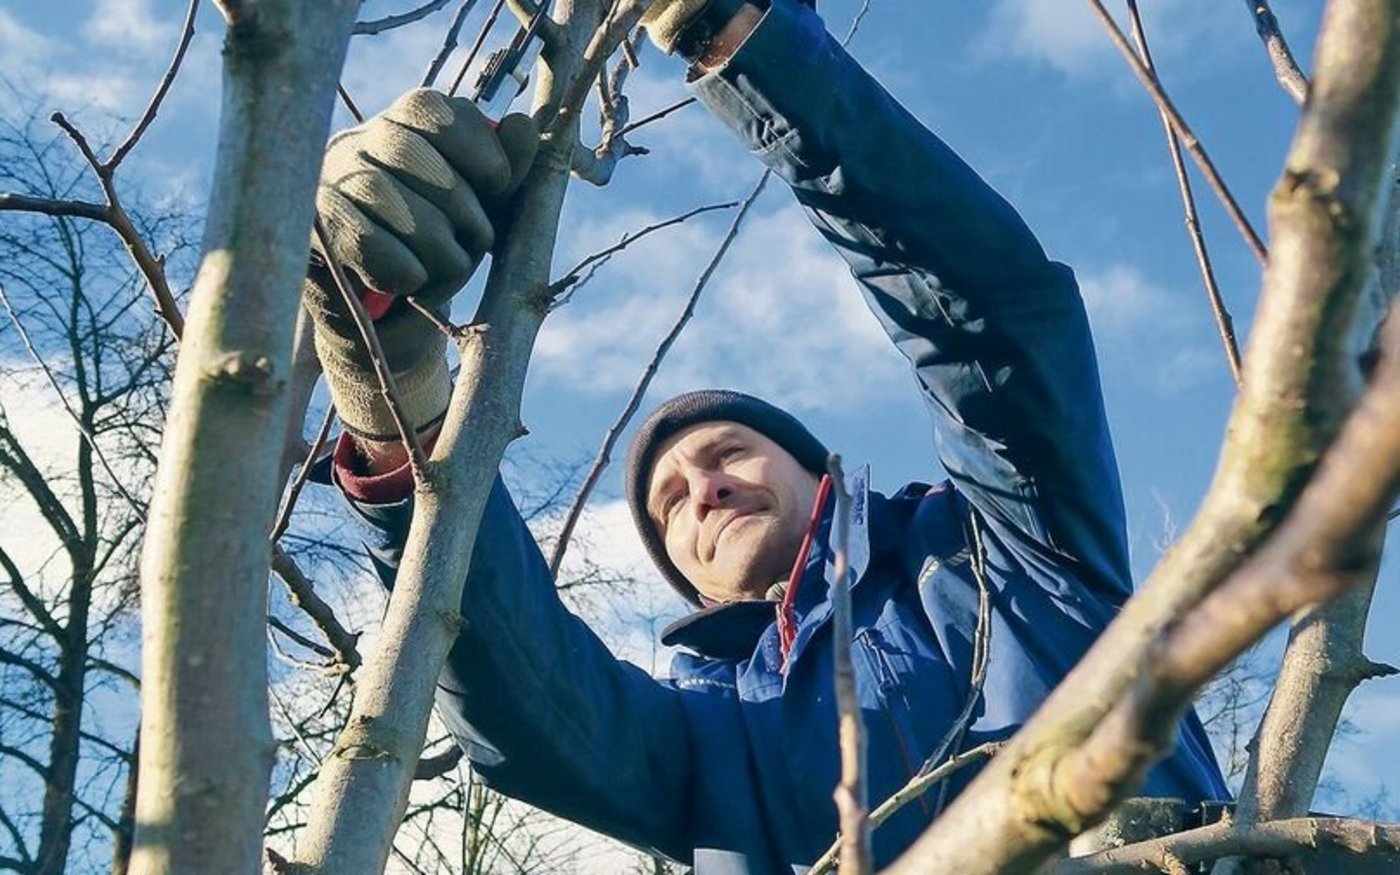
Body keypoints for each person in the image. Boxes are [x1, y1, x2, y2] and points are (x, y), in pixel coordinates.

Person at [303, 0, 1230, 870]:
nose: (701, 488)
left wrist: (742, 36)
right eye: (672, 504)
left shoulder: (1006, 554)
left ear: (820, 473)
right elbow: (531, 699)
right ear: (683, 576)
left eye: (726, 454)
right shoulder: (710, 741)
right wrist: (393, 396)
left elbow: (989, 327)